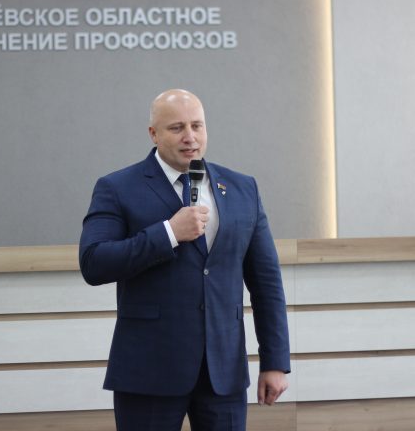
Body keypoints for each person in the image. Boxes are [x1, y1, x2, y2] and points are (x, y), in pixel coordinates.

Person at [79, 89, 290, 430]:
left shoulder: (242, 188)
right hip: (149, 371)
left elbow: (266, 283)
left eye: (197, 126)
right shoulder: (117, 187)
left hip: (223, 373)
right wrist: (168, 233)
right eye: (177, 128)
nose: (190, 137)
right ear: (154, 134)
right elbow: (94, 262)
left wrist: (275, 361)